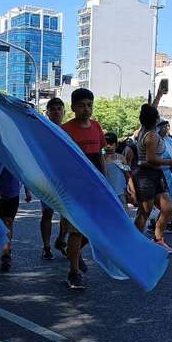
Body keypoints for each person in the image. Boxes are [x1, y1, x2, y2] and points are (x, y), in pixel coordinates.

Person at [60, 88, 106, 290]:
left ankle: (75, 253)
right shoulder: (65, 129)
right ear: (73, 107)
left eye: (89, 105)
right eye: (81, 105)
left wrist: (104, 181)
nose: (86, 109)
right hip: (75, 188)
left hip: (95, 187)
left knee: (95, 229)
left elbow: (100, 154)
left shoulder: (97, 127)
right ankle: (73, 272)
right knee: (77, 231)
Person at [132, 105, 172, 252]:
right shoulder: (150, 135)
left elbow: (150, 108)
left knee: (168, 208)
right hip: (145, 175)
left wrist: (158, 94)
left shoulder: (144, 130)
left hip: (156, 175)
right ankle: (134, 243)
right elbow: (151, 159)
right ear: (156, 119)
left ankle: (158, 239)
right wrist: (170, 162)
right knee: (144, 212)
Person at [0, 155, 32, 272]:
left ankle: (6, 253)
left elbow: (23, 172)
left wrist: (27, 190)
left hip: (13, 193)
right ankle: (5, 248)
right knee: (2, 222)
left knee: (8, 221)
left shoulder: (15, 154)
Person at [40, 97, 68, 259]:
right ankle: (46, 246)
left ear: (64, 112)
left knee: (68, 214)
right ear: (48, 113)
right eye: (53, 109)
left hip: (65, 180)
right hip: (48, 179)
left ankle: (61, 239)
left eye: (59, 108)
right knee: (47, 213)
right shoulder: (42, 131)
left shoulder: (68, 131)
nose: (57, 111)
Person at [102, 132, 130, 207]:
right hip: (107, 192)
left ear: (116, 145)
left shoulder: (121, 158)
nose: (108, 146)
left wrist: (131, 190)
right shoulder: (101, 158)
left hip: (121, 191)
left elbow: (127, 175)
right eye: (106, 143)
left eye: (111, 144)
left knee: (123, 211)